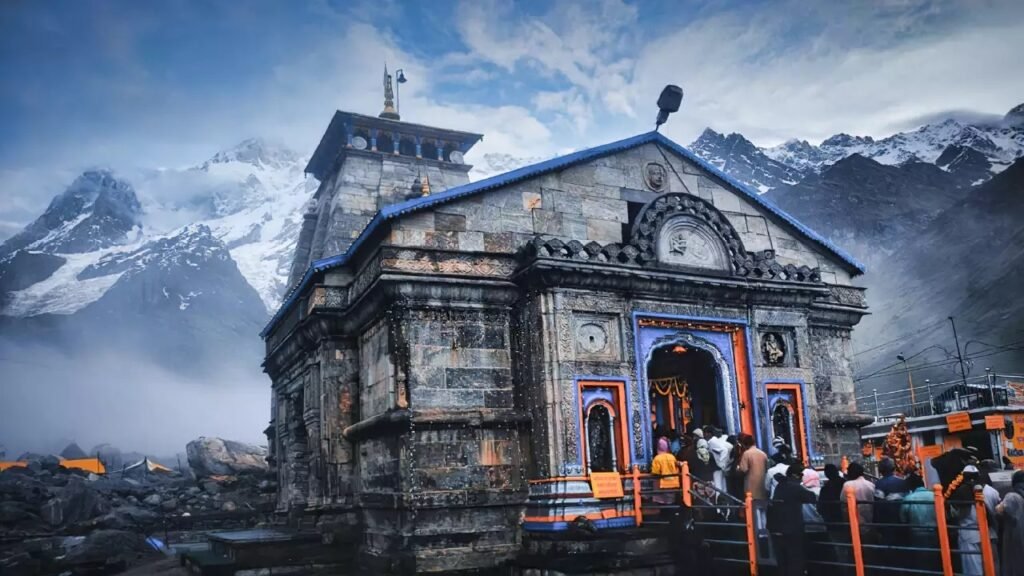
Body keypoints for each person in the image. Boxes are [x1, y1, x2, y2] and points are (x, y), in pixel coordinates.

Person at [769, 463, 817, 576]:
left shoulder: (780, 485)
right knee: (795, 559)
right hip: (792, 528)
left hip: (778, 527)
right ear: (795, 475)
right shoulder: (794, 487)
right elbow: (811, 497)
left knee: (783, 560)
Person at [900, 473, 938, 572]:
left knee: (920, 562)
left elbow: (903, 519)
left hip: (916, 534)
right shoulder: (935, 496)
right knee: (936, 560)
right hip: (935, 531)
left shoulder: (908, 498)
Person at [996, 470, 1024, 576]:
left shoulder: (1012, 496)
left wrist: (997, 504)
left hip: (1016, 537)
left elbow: (1000, 510)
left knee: (1015, 563)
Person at [957, 466, 983, 576]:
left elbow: (964, 512)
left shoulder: (963, 490)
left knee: (972, 567)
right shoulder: (984, 489)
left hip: (968, 532)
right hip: (982, 532)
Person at [737, 433, 768, 501]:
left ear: (744, 444)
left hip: (750, 489)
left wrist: (737, 469)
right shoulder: (763, 454)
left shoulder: (747, 454)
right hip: (762, 486)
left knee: (752, 509)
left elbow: (743, 470)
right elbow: (766, 469)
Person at [652, 437, 679, 507]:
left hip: (662, 484)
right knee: (671, 503)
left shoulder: (657, 458)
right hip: (673, 483)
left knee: (662, 504)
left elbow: (655, 472)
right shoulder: (672, 457)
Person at [707, 428, 734, 496]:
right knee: (724, 488)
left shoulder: (712, 442)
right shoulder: (722, 441)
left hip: (718, 468)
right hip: (724, 467)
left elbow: (723, 450)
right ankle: (725, 505)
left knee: (718, 488)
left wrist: (721, 463)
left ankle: (720, 506)